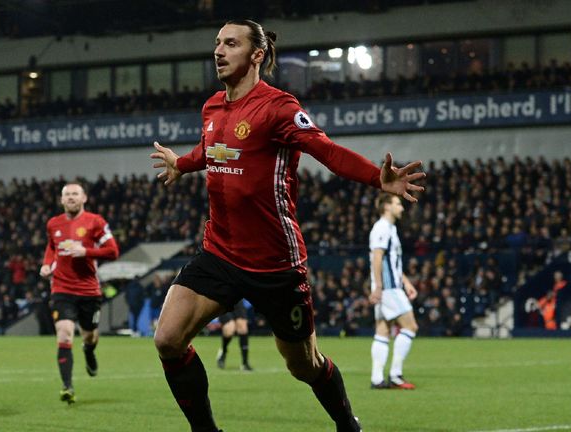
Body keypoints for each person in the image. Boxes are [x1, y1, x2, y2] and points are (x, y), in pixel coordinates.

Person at [150, 19, 425, 432]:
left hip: (275, 263)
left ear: (256, 54)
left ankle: (347, 423)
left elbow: (326, 150)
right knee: (167, 339)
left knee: (303, 365)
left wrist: (376, 177)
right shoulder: (212, 107)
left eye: (231, 44)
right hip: (220, 252)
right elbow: (213, 149)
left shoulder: (279, 107)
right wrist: (183, 164)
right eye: (217, 43)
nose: (218, 51)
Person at [39, 183, 120, 404]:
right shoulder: (53, 224)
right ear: (61, 200)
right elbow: (51, 248)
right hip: (61, 288)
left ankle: (89, 350)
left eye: (75, 194)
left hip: (89, 290)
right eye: (67, 195)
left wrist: (86, 251)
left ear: (84, 197)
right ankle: (67, 387)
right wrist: (47, 265)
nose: (71, 197)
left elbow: (113, 251)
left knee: (89, 335)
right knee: (64, 333)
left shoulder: (96, 222)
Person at [368, 193, 419, 390]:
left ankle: (377, 378)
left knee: (383, 330)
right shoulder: (382, 228)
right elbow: (377, 257)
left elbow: (392, 262)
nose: (402, 207)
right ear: (387, 207)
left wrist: (406, 282)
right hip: (388, 288)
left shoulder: (390, 228)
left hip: (390, 286)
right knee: (410, 326)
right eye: (398, 203)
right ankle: (396, 375)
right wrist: (379, 287)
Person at [215, 300, 252, 371]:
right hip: (223, 299)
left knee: (243, 328)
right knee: (229, 330)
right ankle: (223, 351)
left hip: (237, 299)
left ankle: (245, 363)